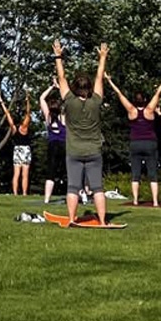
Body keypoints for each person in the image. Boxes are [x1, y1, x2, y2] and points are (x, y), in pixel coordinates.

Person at [53, 40, 109, 226]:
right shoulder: (96, 101)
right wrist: (102, 57)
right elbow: (100, 78)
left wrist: (58, 56)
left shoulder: (69, 100)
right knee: (98, 188)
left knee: (73, 187)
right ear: (89, 87)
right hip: (94, 151)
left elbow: (61, 78)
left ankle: (71, 220)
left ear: (75, 87)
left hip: (74, 151)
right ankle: (102, 221)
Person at [105, 71, 161, 207]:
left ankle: (135, 200)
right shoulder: (149, 110)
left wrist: (109, 80)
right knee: (152, 174)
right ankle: (154, 202)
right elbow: (158, 93)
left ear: (135, 101)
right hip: (150, 143)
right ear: (146, 100)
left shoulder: (131, 110)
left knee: (135, 174)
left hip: (135, 143)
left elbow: (120, 94)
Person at [0, 90, 33, 196]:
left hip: (17, 150)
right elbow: (28, 113)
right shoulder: (24, 128)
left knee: (16, 174)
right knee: (25, 174)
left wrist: (1, 102)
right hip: (25, 150)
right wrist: (28, 100)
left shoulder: (13, 129)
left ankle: (15, 193)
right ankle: (25, 193)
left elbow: (7, 114)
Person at [40, 79, 67, 204]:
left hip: (52, 146)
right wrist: (60, 88)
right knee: (71, 171)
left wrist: (52, 87)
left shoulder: (48, 117)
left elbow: (41, 98)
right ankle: (81, 195)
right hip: (64, 146)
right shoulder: (64, 117)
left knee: (50, 173)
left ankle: (46, 199)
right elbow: (67, 99)